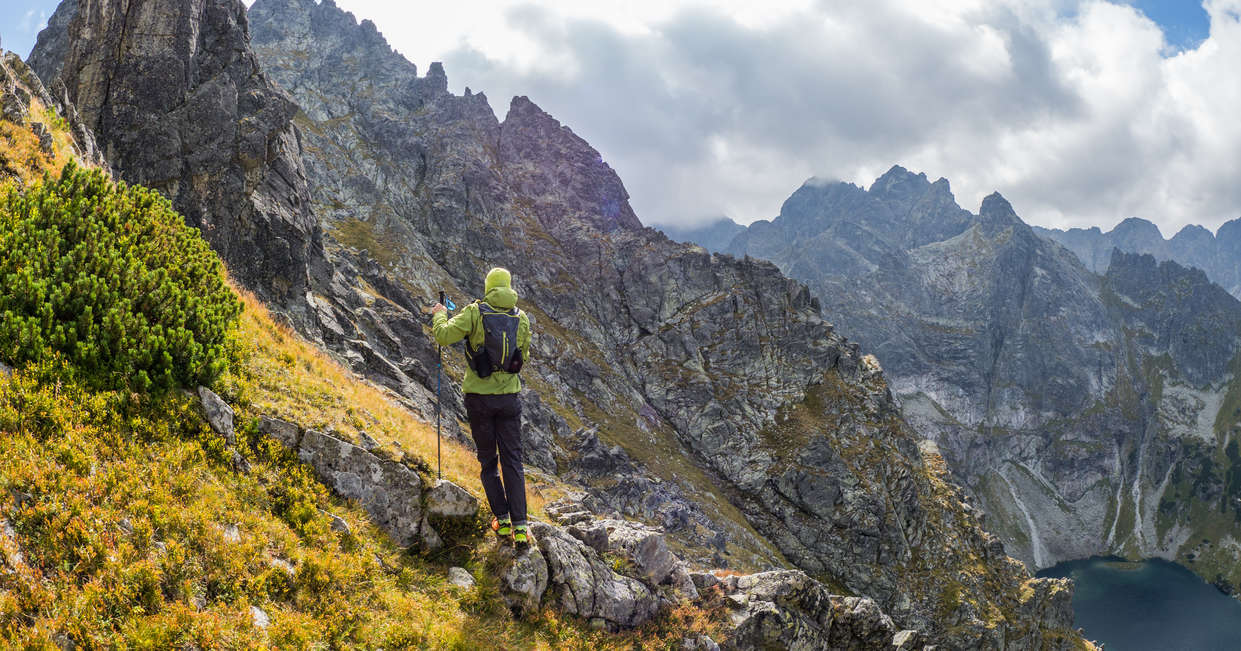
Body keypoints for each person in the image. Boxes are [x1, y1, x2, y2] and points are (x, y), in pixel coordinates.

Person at [431, 267, 533, 546]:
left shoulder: (475, 312)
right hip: (510, 399)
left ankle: (502, 521)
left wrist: (440, 312)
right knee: (513, 461)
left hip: (478, 398)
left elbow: (443, 335)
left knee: (489, 462)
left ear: (488, 286)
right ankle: (521, 528)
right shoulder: (521, 318)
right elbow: (523, 354)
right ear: (509, 287)